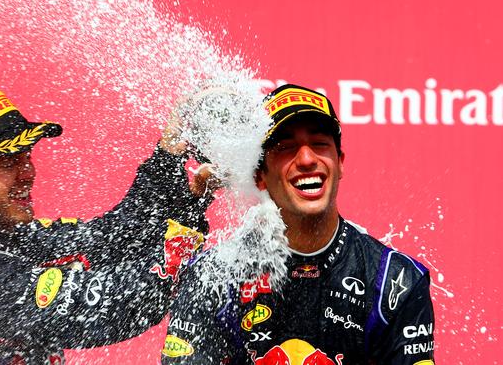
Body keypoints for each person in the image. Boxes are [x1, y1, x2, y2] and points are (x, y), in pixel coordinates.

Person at [0, 83, 215, 364]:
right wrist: (186, 226)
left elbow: (113, 235)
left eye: (27, 156)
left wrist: (171, 151)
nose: (28, 174)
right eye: (7, 161)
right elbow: (125, 304)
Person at [161, 84, 435, 364]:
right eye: (286, 147)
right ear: (259, 175)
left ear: (340, 163)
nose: (306, 159)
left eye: (319, 143)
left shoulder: (396, 280)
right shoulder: (213, 277)